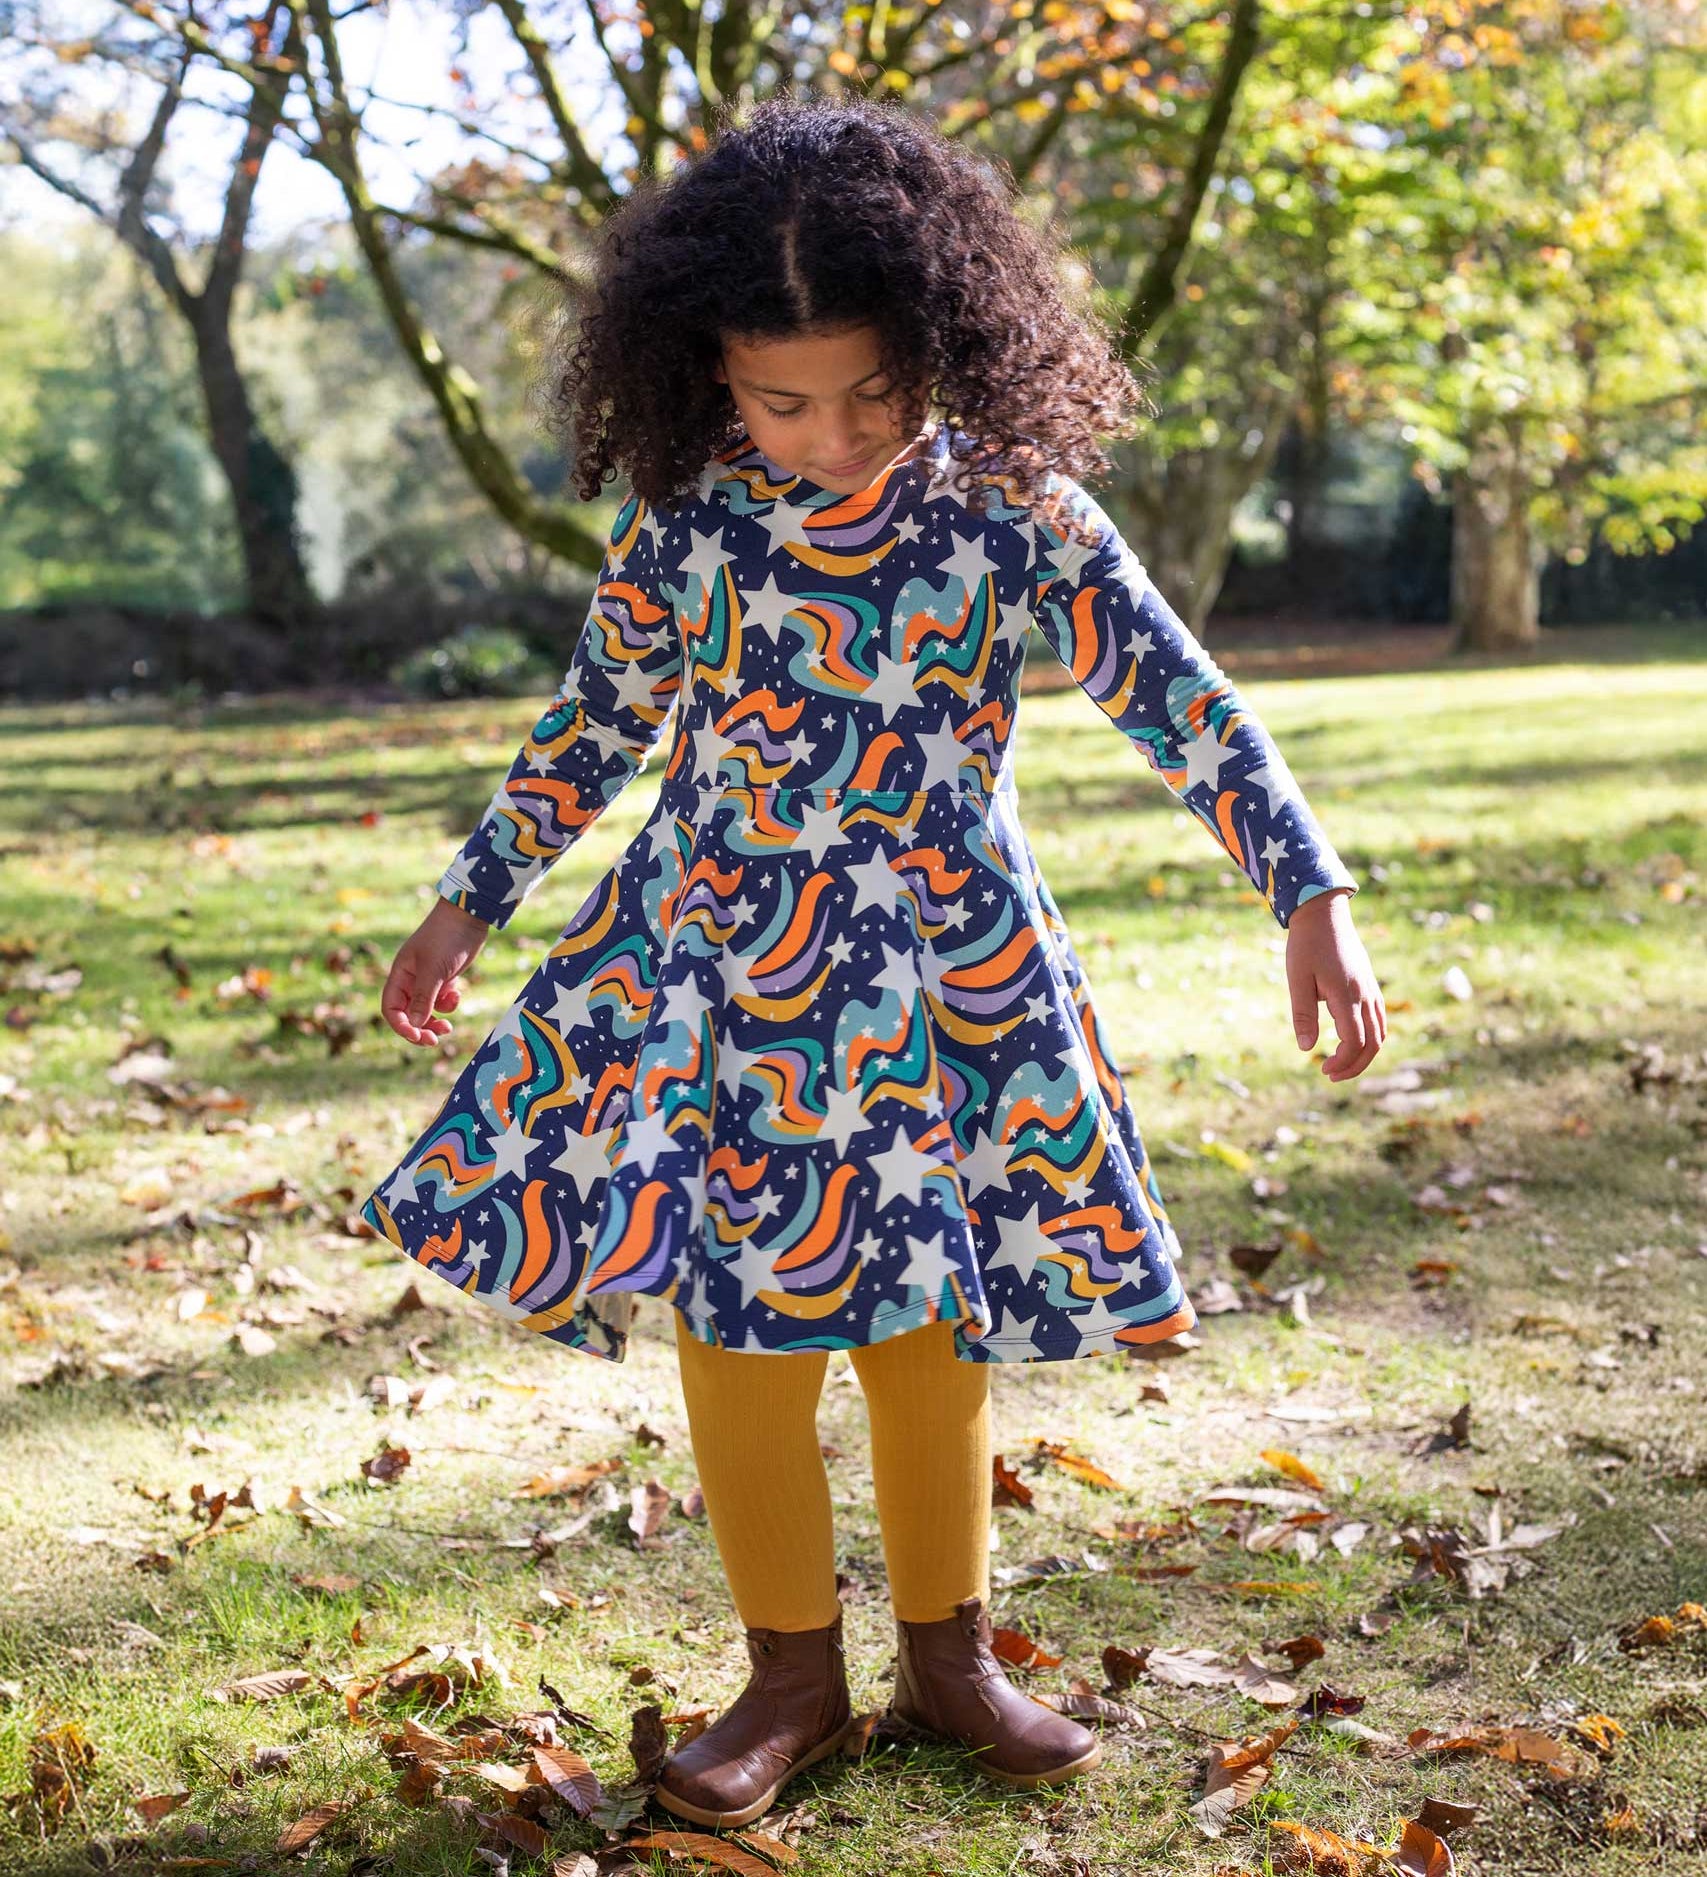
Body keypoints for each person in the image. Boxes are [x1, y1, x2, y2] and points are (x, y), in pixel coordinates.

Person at [361, 91, 1386, 1833]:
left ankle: (948, 1652)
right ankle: (789, 1674)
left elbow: (1177, 695)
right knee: (746, 1316)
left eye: (869, 387)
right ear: (703, 372)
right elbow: (594, 724)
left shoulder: (1013, 509)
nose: (829, 432)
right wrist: (475, 893)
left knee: (931, 1307)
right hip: (727, 975)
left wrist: (1306, 889)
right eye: (781, 398)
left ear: (945, 340)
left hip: (945, 973)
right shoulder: (686, 522)